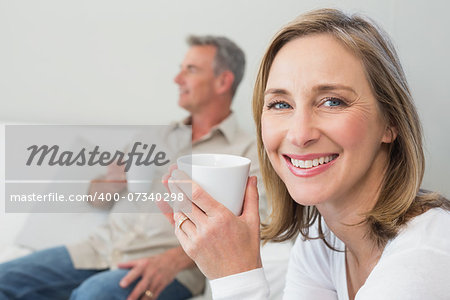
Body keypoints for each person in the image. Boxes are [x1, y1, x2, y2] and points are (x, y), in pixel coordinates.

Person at [166, 9, 450, 300]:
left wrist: (235, 276)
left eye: (332, 101)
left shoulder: (425, 258)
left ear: (390, 122)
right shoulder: (322, 235)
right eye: (280, 104)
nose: (300, 135)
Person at [0, 35, 264, 300]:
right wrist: (111, 182)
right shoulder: (150, 137)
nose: (177, 79)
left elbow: (253, 226)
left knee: (92, 295)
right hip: (97, 250)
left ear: (223, 81)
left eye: (190, 70)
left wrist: (171, 262)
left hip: (164, 266)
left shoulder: (246, 152)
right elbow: (97, 199)